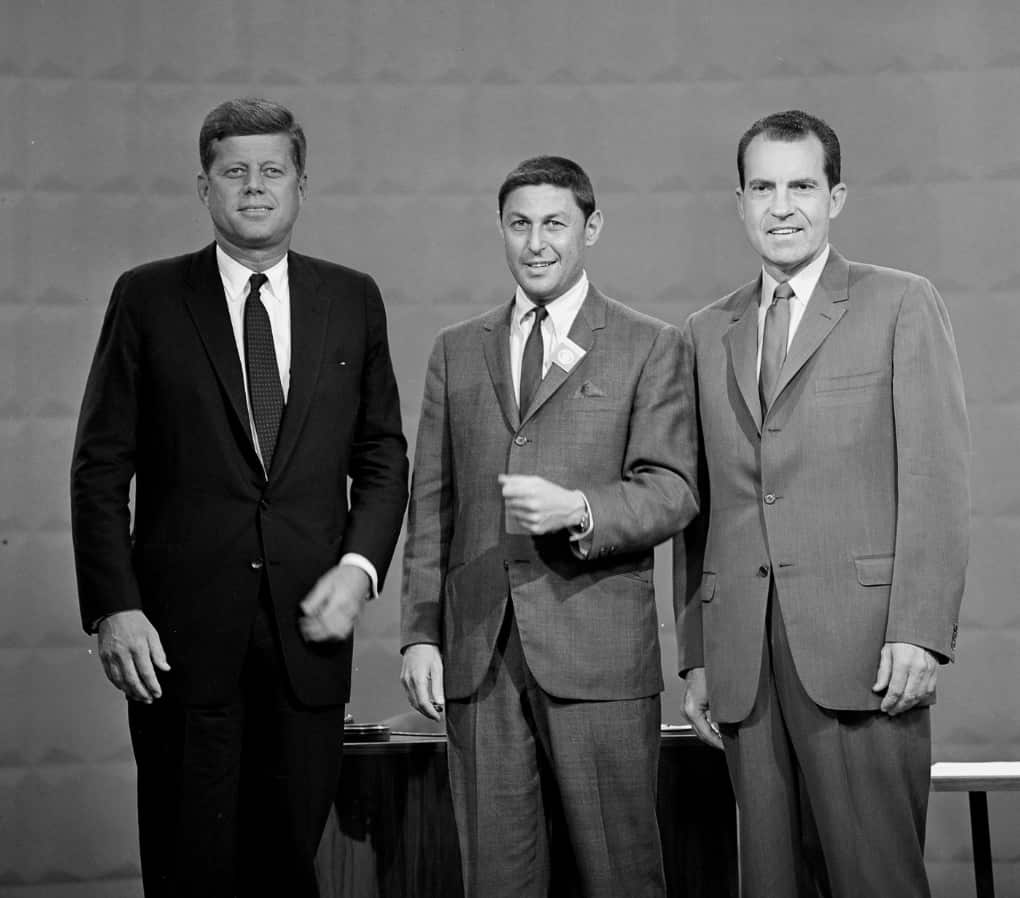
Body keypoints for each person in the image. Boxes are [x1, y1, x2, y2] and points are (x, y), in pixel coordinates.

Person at [70, 97, 408, 898]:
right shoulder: (148, 298)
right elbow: (99, 466)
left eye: (271, 171)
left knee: (287, 870)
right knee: (192, 870)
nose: (254, 188)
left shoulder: (351, 298)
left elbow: (382, 453)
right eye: (235, 172)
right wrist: (114, 607)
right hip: (180, 647)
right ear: (205, 186)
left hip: (308, 644)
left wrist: (359, 569)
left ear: (299, 185)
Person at [677, 109, 970, 897]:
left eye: (802, 185)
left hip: (865, 653)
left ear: (836, 196)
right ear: (738, 201)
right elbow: (699, 505)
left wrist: (919, 631)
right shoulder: (708, 331)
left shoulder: (901, 304)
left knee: (876, 880)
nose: (782, 207)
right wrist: (698, 648)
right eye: (763, 188)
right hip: (745, 658)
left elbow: (937, 481)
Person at [400, 155, 698, 898]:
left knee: (621, 876)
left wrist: (581, 509)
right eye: (520, 224)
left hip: (598, 656)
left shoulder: (648, 344)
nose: (537, 242)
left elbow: (674, 489)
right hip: (479, 658)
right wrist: (420, 633)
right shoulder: (455, 349)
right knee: (495, 881)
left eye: (555, 224)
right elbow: (431, 503)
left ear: (590, 228)